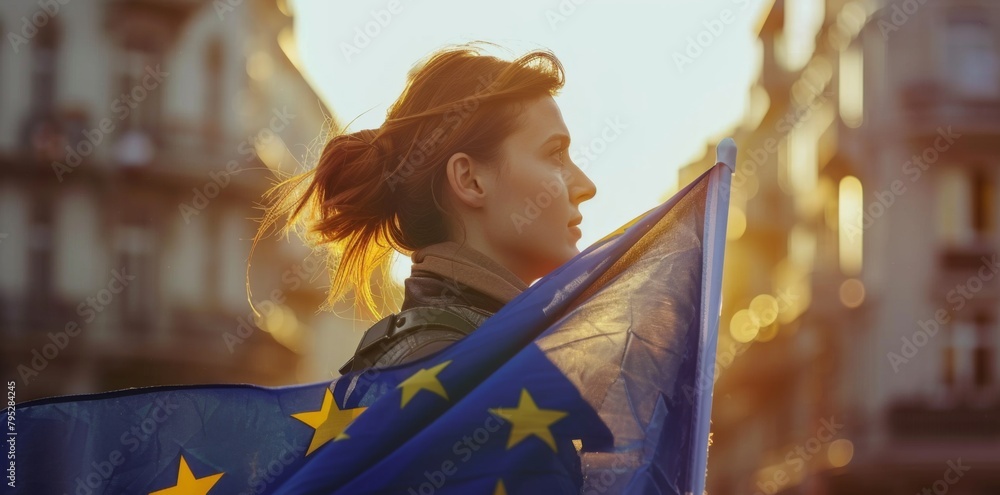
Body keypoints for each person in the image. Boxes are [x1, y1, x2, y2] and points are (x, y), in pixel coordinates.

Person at [253, 42, 597, 373]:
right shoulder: (460, 367)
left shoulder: (471, 353)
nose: (586, 187)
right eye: (555, 154)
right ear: (470, 179)